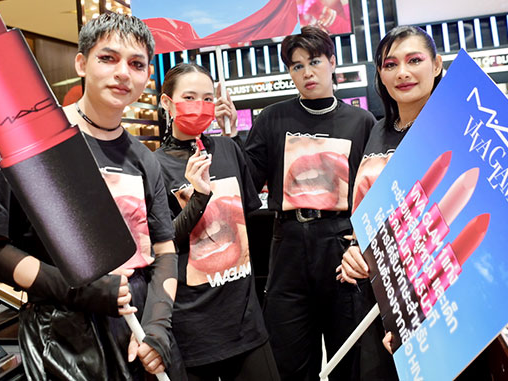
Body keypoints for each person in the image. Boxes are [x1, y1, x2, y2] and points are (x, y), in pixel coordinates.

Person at [0, 12, 182, 380]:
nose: (123, 73)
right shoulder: (32, 144)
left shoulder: (143, 158)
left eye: (136, 64)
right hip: (64, 341)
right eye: (108, 58)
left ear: (147, 75)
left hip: (137, 332)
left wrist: (158, 324)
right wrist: (78, 289)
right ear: (82, 63)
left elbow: (164, 251)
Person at [243, 26, 376, 380]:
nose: (307, 73)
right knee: (287, 357)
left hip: (341, 243)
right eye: (297, 66)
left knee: (349, 354)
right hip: (288, 244)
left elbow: (373, 192)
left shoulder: (361, 122)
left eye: (314, 62)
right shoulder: (272, 118)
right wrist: (226, 142)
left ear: (332, 62)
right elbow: (247, 183)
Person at [154, 63, 279, 380]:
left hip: (244, 316)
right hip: (193, 322)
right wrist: (198, 196)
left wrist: (233, 135)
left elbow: (247, 217)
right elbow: (163, 242)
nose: (200, 106)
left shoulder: (226, 148)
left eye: (207, 98)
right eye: (189, 97)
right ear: (167, 102)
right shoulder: (154, 166)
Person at [338, 25, 443, 377]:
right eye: (390, 64)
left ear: (436, 65)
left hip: (436, 297)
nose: (402, 73)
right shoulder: (377, 130)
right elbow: (366, 214)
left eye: (414, 60)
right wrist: (355, 252)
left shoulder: (453, 128)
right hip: (378, 297)